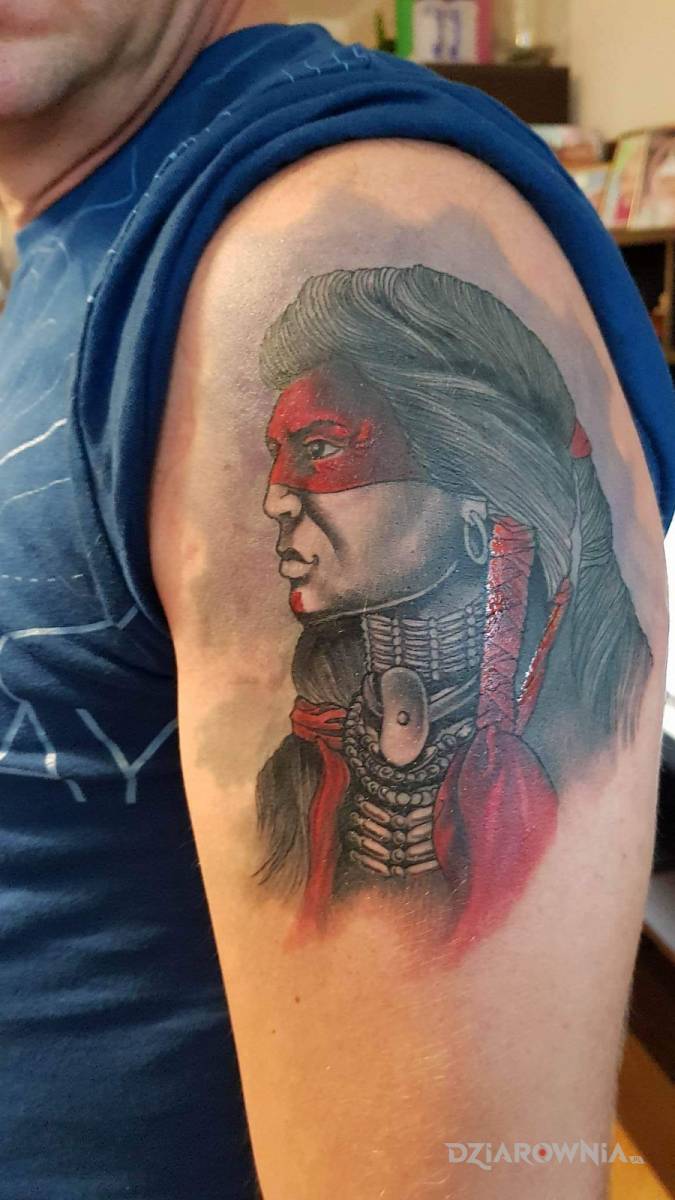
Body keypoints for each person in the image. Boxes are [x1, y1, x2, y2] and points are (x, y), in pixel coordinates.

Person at [0, 3, 672, 1199]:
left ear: (472, 477)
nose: (273, 500)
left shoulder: (317, 226)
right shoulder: (85, 228)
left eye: (320, 450)